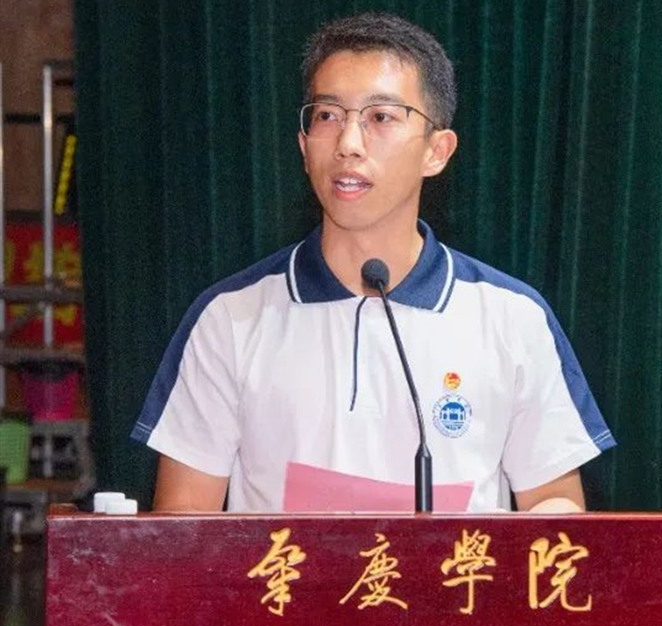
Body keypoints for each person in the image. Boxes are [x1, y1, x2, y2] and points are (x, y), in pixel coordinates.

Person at [132, 13, 615, 514]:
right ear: (303, 145)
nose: (348, 143)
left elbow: (555, 505)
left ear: (437, 151)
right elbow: (182, 526)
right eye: (327, 116)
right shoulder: (230, 318)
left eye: (381, 117)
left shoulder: (512, 318)